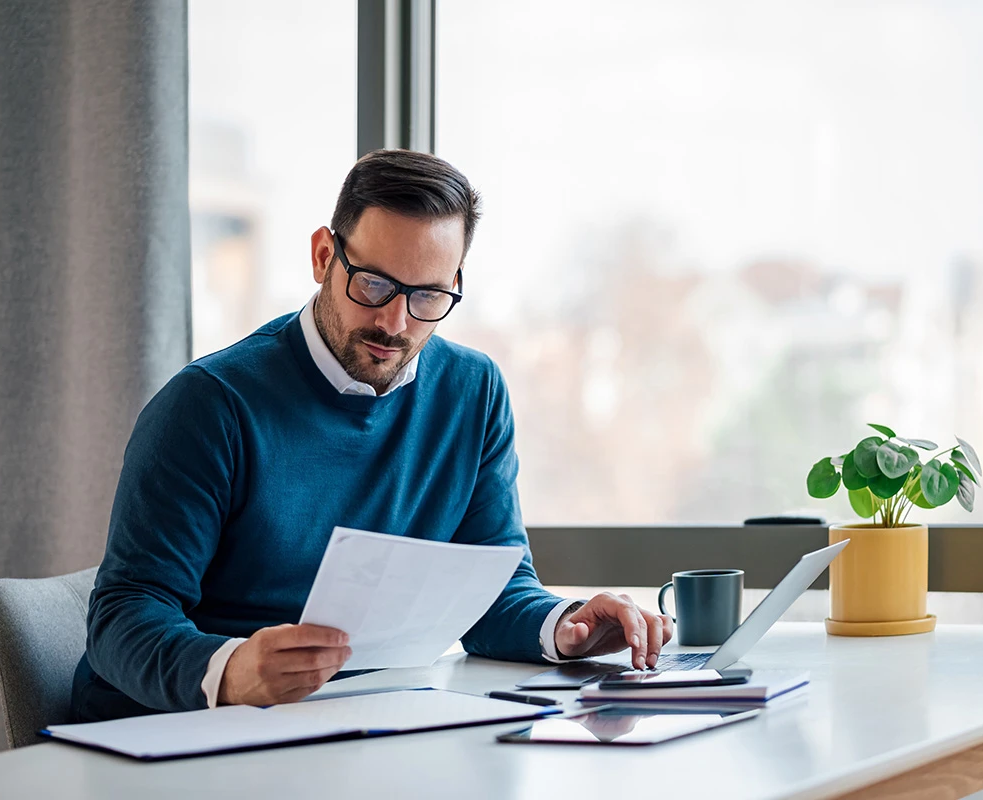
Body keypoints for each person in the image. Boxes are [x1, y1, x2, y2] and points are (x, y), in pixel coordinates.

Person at [71, 149, 672, 721]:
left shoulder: (474, 392)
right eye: (375, 285)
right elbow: (123, 619)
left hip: (356, 721)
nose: (395, 321)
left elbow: (494, 590)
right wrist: (231, 670)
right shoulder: (209, 406)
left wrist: (568, 626)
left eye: (428, 295)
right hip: (176, 734)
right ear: (322, 256)